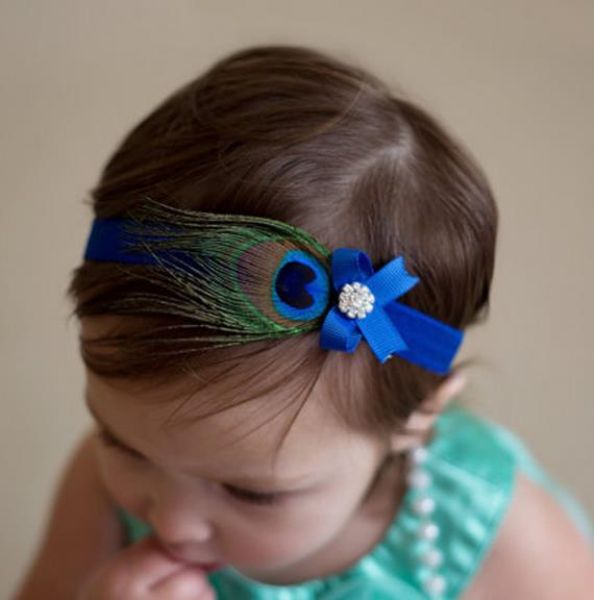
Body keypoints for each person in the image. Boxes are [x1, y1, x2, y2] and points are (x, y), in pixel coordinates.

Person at [13, 44, 594, 600]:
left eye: (250, 493)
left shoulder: (492, 538)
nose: (173, 523)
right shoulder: (102, 486)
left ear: (417, 415)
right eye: (122, 444)